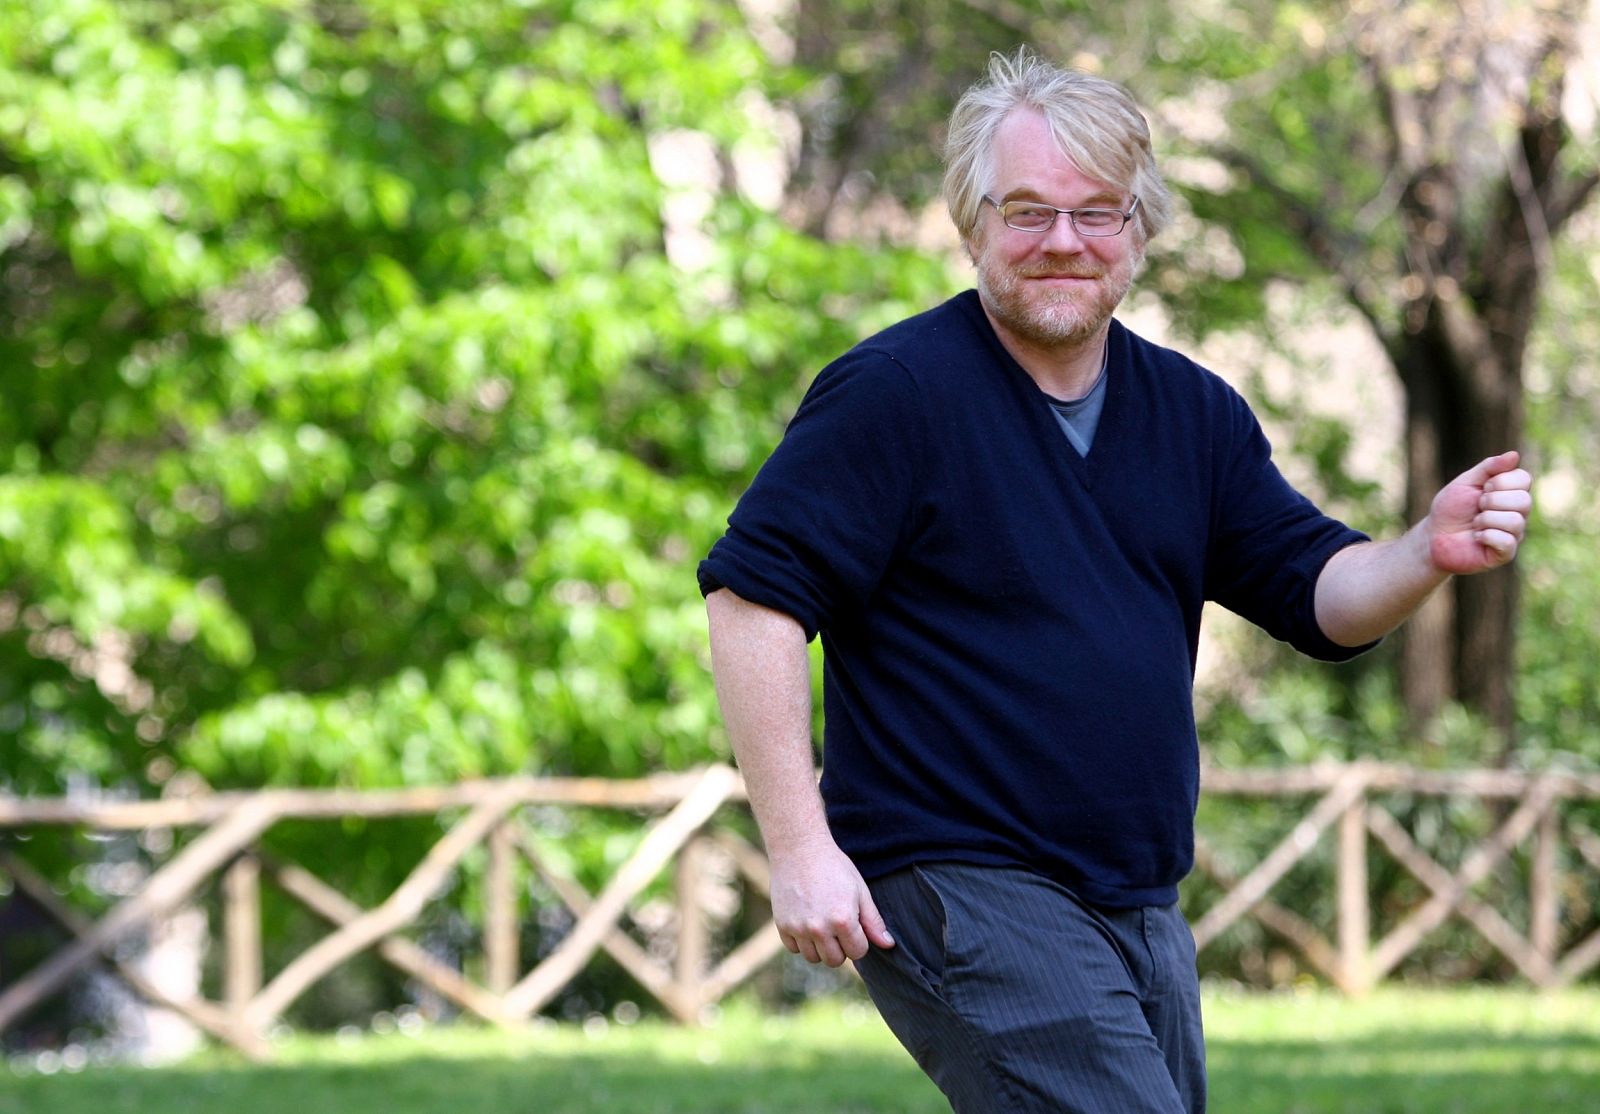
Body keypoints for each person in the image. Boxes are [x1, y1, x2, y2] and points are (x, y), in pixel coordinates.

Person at [696, 47, 1532, 1114]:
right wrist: (798, 848)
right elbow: (752, 600)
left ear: (1138, 228)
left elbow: (1317, 593)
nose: (1062, 242)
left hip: (1136, 896)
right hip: (960, 878)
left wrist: (1423, 549)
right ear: (971, 222)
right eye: (1027, 211)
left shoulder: (1192, 412)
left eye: (1096, 212)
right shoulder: (894, 395)